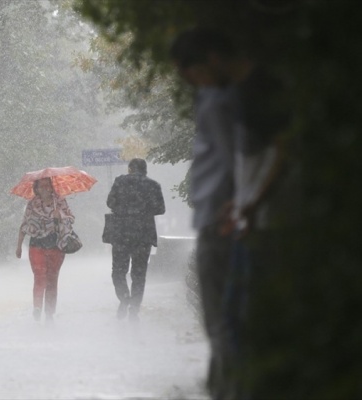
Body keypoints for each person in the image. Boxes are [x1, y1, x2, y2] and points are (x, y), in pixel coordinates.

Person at [170, 28, 240, 400]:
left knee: (220, 318)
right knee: (225, 316)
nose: (186, 78)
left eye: (187, 69)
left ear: (209, 60)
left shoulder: (216, 101)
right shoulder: (227, 97)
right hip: (222, 217)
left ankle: (226, 387)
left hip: (220, 218)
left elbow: (235, 159)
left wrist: (240, 203)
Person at [106, 158, 165, 322]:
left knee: (118, 271)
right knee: (139, 274)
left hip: (121, 234)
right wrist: (143, 210)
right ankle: (134, 309)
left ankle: (124, 298)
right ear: (145, 170)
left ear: (130, 169)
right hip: (143, 235)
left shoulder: (120, 182)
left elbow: (110, 202)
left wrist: (124, 208)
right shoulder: (153, 185)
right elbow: (161, 209)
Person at [16, 177, 75, 322]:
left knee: (52, 279)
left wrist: (59, 215)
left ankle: (49, 313)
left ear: (52, 187)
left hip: (56, 245)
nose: (44, 188)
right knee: (39, 276)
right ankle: (37, 307)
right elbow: (24, 224)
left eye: (47, 185)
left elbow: (70, 219)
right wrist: (19, 246)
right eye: (41, 186)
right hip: (37, 245)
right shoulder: (32, 204)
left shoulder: (59, 201)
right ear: (36, 188)